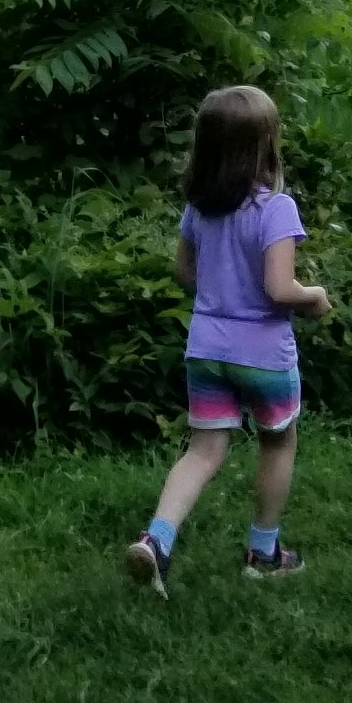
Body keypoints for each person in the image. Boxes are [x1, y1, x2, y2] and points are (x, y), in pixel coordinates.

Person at [127, 82, 330, 594]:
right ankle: (263, 554)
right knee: (278, 441)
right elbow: (279, 288)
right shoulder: (276, 208)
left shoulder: (199, 208)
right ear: (266, 144)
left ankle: (157, 539)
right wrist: (315, 296)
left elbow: (185, 273)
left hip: (207, 347)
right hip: (263, 352)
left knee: (203, 450)